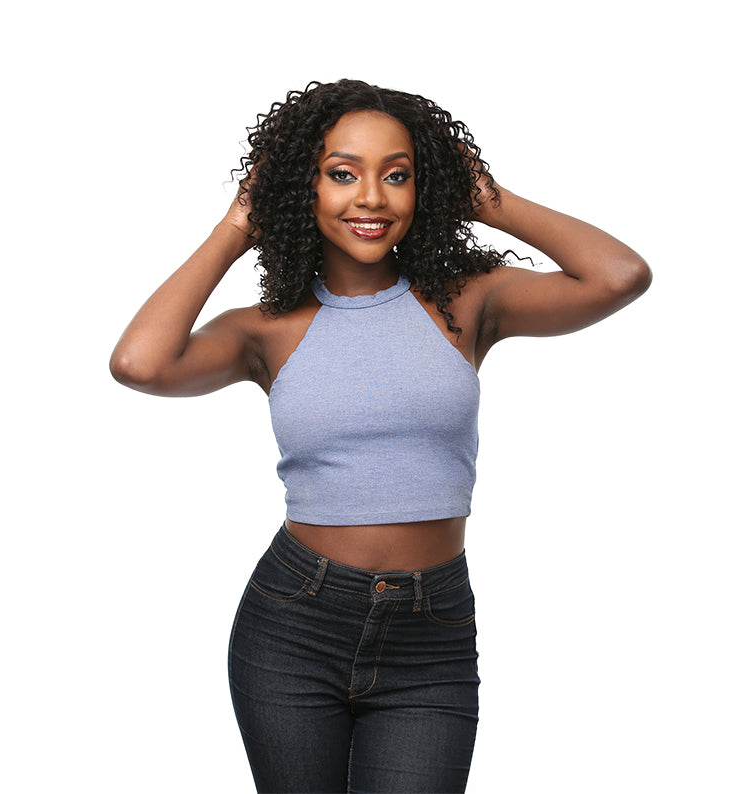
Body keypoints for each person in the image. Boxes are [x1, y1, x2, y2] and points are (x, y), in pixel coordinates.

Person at [110, 78, 651, 794]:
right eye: (342, 174)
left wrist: (492, 201)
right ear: (303, 188)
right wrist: (237, 224)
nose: (371, 197)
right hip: (295, 626)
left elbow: (621, 275)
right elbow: (139, 364)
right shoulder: (266, 331)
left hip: (433, 637)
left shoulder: (468, 301)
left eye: (398, 175)